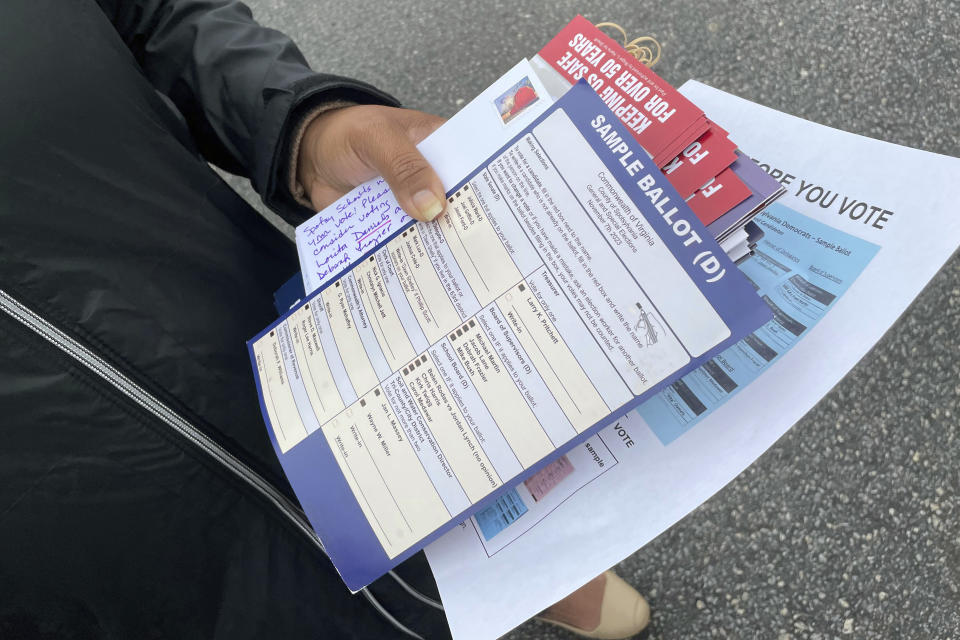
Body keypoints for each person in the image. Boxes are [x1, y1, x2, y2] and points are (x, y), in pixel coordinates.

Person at [0, 1, 649, 638]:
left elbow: (155, 17)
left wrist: (296, 127)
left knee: (479, 467)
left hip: (300, 348)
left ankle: (540, 570)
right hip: (149, 589)